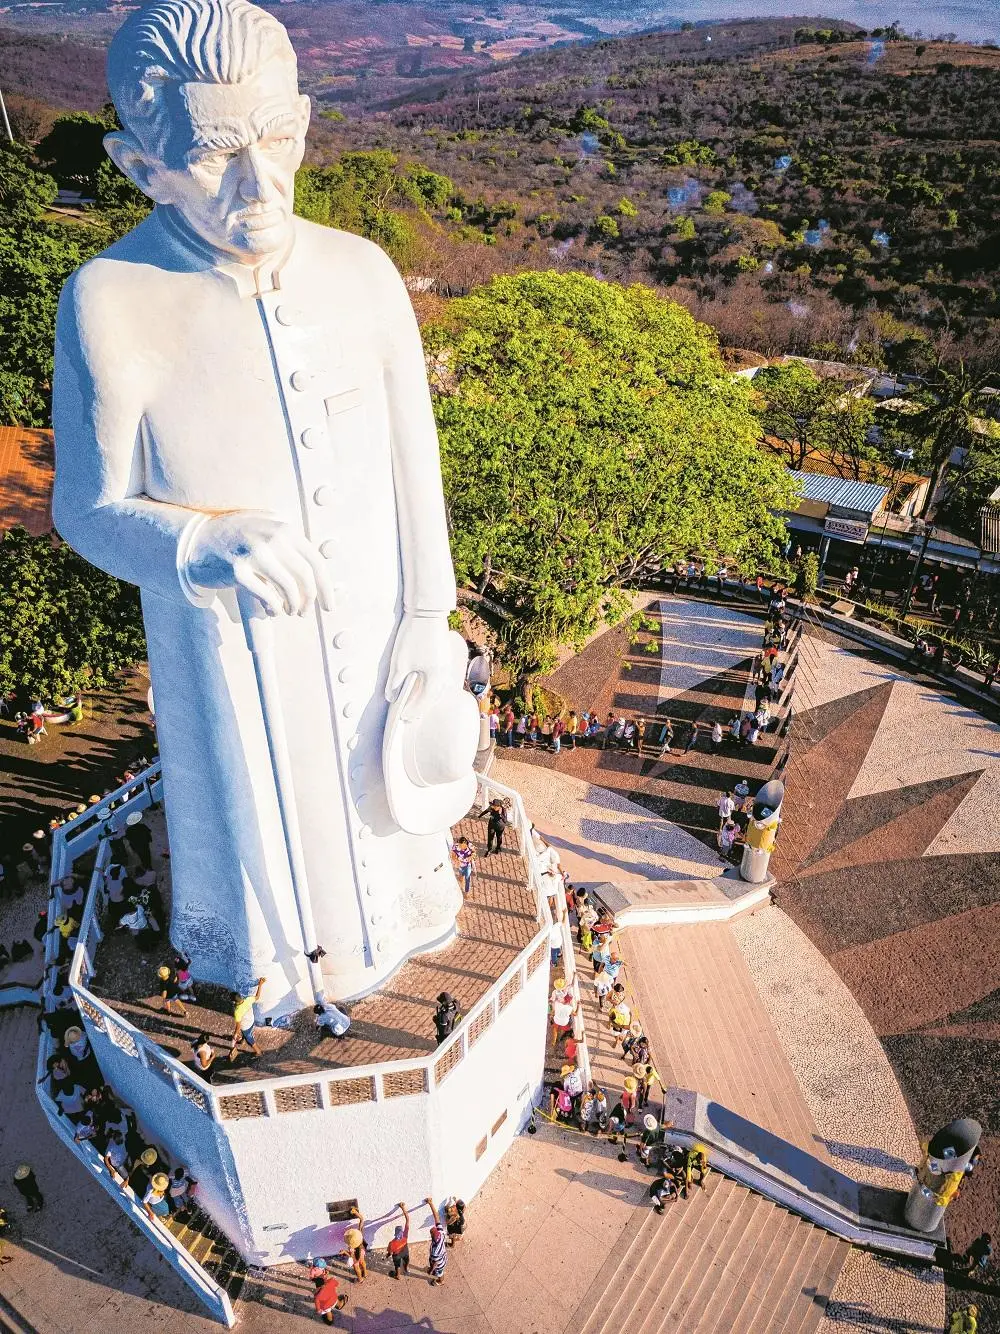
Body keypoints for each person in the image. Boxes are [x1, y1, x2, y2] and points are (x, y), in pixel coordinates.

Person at [230, 976, 265, 1060]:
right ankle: (242, 1040)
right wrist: (260, 985)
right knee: (246, 1035)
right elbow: (257, 997)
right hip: (251, 1021)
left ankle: (258, 1052)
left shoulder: (237, 1011)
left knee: (250, 1039)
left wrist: (235, 1034)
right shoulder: (248, 999)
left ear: (234, 1001)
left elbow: (238, 1026)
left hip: (245, 1027)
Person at [343, 1207, 366, 1282]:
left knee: (356, 1267)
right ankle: (365, 1273)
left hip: (356, 1257)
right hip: (362, 1252)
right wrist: (356, 1213)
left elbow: (351, 1256)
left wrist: (344, 1252)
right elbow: (362, 1219)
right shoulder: (360, 1235)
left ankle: (360, 1279)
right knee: (362, 1262)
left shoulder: (351, 1247)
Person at [387, 1202, 410, 1277]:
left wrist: (387, 1255)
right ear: (402, 1232)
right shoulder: (405, 1235)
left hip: (397, 1256)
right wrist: (403, 1207)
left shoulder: (392, 1243)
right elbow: (407, 1219)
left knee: (397, 1266)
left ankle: (397, 1275)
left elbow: (390, 1252)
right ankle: (406, 1269)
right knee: (406, 1261)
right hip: (405, 1252)